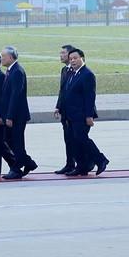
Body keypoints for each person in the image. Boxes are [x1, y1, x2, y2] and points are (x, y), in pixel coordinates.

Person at [63, 48, 109, 176]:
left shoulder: (87, 74)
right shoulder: (73, 73)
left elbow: (90, 97)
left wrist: (89, 115)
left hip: (82, 115)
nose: (73, 61)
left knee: (82, 139)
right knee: (74, 141)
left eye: (75, 58)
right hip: (71, 115)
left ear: (82, 58)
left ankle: (100, 159)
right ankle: (82, 166)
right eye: (71, 59)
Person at [0, 46, 38, 180]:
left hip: (17, 116)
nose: (1, 58)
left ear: (10, 57)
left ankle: (16, 169)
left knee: (17, 143)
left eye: (3, 56)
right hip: (11, 115)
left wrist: (10, 116)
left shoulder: (17, 72)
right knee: (10, 141)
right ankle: (28, 163)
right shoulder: (11, 71)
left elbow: (16, 96)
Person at [53, 44, 78, 175]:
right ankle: (69, 164)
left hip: (74, 112)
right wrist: (58, 106)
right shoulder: (64, 70)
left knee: (76, 139)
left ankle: (82, 163)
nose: (60, 55)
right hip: (65, 111)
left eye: (63, 53)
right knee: (68, 139)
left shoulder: (75, 70)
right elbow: (62, 91)